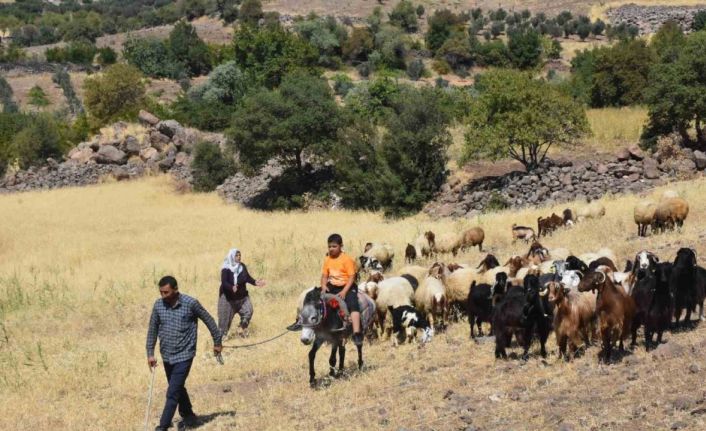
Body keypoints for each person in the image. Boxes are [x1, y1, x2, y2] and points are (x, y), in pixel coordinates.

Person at [146, 275, 222, 431]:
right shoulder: (158, 305)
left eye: (166, 292)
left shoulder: (190, 303)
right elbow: (152, 330)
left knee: (172, 392)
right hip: (167, 355)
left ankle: (163, 426)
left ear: (175, 289)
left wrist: (217, 342)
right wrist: (150, 353)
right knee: (177, 387)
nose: (163, 296)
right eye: (161, 292)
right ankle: (188, 415)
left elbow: (208, 320)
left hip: (185, 354)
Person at [321, 233, 363, 345]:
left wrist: (344, 291)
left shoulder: (347, 259)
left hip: (347, 285)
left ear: (341, 246)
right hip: (332, 285)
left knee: (353, 304)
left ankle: (357, 333)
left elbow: (352, 277)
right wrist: (324, 285)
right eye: (329, 246)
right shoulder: (327, 259)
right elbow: (324, 276)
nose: (331, 249)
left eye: (334, 246)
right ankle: (321, 329)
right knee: (320, 302)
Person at [218, 248, 266, 338]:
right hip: (228, 300)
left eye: (240, 255)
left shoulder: (242, 267)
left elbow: (247, 277)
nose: (239, 257)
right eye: (236, 255)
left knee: (248, 311)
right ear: (232, 257)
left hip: (242, 298)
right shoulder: (226, 269)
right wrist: (231, 287)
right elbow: (224, 282)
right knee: (223, 325)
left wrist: (255, 282)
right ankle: (220, 342)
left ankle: (241, 329)